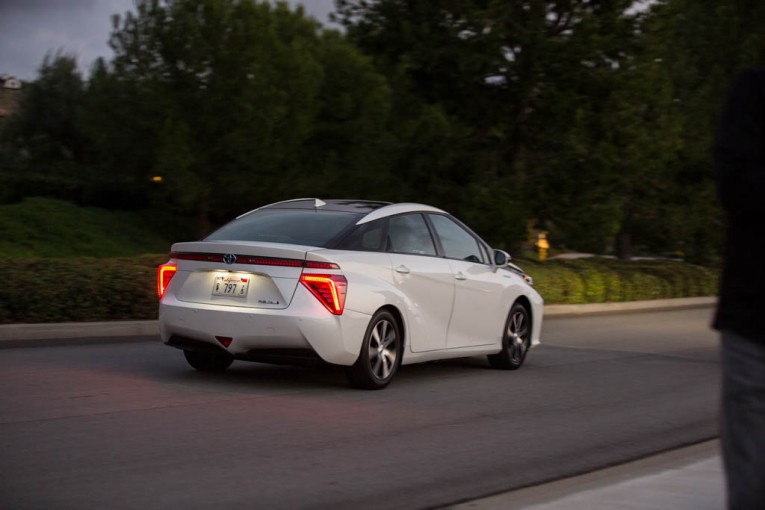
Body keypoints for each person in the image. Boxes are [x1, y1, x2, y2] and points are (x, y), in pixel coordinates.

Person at [713, 66, 765, 510]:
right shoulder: (754, 89)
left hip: (749, 318)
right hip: (755, 321)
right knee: (752, 487)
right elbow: (735, 184)